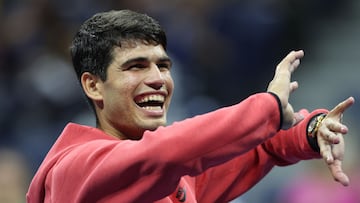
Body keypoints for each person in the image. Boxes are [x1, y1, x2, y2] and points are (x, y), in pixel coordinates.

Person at [26, 9, 355, 203]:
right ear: (93, 85)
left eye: (163, 65)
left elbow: (261, 150)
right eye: (136, 66)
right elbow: (162, 154)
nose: (158, 79)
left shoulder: (177, 179)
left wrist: (310, 132)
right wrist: (268, 107)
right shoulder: (72, 171)